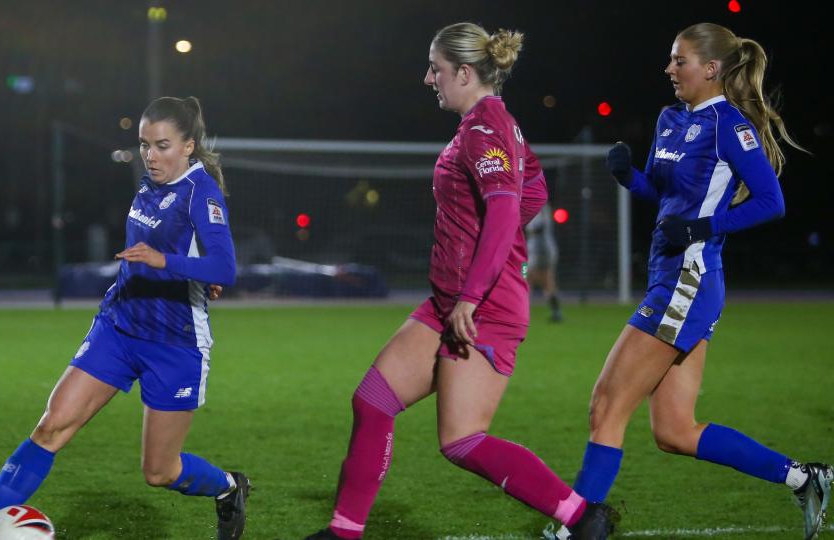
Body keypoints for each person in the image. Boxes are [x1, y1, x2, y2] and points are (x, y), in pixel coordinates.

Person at [304, 22, 618, 540]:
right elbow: (533, 190)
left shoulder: (486, 130)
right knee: (373, 401)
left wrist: (476, 286)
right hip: (449, 302)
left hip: (483, 309)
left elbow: (504, 210)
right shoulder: (493, 125)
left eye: (437, 69)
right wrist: (481, 255)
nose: (430, 79)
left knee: (462, 440)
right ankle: (344, 532)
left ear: (465, 73)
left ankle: (582, 519)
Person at [545, 22, 831, 540]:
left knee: (606, 406)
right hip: (668, 275)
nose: (669, 69)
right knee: (674, 432)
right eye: (671, 60)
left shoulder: (730, 125)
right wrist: (628, 177)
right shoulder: (670, 118)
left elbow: (771, 202)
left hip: (688, 279)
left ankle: (575, 528)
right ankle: (803, 477)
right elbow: (664, 195)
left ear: (711, 68)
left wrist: (704, 227)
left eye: (679, 60)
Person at [0, 96, 251, 540]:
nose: (150, 156)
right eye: (144, 145)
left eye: (161, 146)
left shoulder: (203, 193)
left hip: (173, 344)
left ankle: (229, 488)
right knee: (52, 424)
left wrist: (169, 263)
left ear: (189, 147)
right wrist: (170, 266)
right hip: (118, 327)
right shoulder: (149, 184)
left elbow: (225, 269)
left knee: (159, 472)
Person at [525, 203, 563, 322]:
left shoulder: (539, 206)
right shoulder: (537, 206)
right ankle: (556, 312)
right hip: (533, 250)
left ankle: (520, 311)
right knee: (543, 281)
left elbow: (538, 228)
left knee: (526, 277)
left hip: (540, 251)